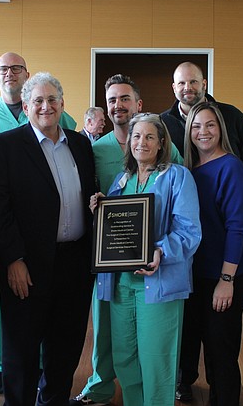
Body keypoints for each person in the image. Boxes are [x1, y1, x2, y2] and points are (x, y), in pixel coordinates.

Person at [0, 72, 97, 406]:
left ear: (63, 104)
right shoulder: (5, 146)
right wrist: (13, 260)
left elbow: (86, 193)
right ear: (25, 105)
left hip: (74, 263)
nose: (46, 107)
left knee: (65, 349)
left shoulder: (79, 144)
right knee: (22, 352)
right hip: (27, 267)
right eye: (38, 101)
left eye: (52, 100)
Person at [71, 75, 183, 406]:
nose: (118, 105)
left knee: (153, 343)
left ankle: (156, 393)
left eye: (124, 99)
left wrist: (164, 248)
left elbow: (177, 198)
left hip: (155, 262)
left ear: (138, 105)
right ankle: (101, 384)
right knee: (112, 334)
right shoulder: (99, 150)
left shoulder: (171, 160)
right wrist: (98, 204)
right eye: (112, 100)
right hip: (112, 260)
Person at [93, 113, 201, 406]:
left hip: (159, 283)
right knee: (125, 357)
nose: (142, 142)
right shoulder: (120, 180)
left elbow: (190, 231)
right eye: (136, 136)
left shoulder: (178, 176)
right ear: (128, 142)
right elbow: (115, 232)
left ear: (161, 142)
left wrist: (160, 251)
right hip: (121, 286)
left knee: (157, 361)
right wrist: (101, 209)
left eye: (149, 136)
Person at [179, 101, 243, 406]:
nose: (203, 132)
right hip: (195, 273)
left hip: (224, 273)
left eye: (209, 125)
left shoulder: (231, 167)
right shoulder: (187, 170)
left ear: (220, 128)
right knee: (197, 345)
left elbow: (238, 228)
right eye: (196, 126)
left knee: (221, 353)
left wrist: (226, 279)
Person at [160, 61, 243, 168]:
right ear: (174, 88)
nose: (187, 88)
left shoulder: (232, 115)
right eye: (181, 83)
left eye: (193, 81)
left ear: (204, 84)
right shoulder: (162, 122)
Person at [0, 51, 77, 133]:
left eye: (16, 68)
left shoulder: (48, 109)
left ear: (27, 76)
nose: (9, 74)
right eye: (3, 69)